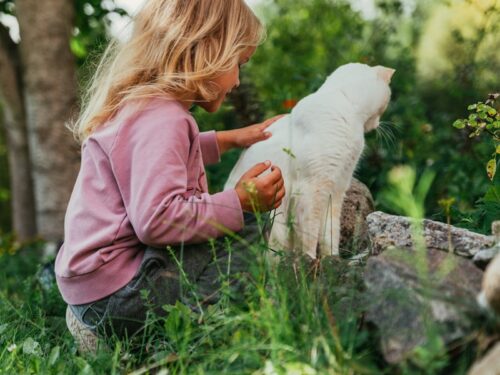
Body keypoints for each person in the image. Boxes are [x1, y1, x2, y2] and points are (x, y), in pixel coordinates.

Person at [55, 0, 286, 341]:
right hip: (123, 298)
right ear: (207, 51)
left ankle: (101, 329)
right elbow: (158, 220)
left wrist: (231, 139)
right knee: (247, 226)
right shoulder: (165, 120)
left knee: (228, 222)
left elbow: (161, 159)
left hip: (93, 290)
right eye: (239, 63)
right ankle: (200, 331)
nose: (237, 80)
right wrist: (240, 203)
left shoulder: (143, 108)